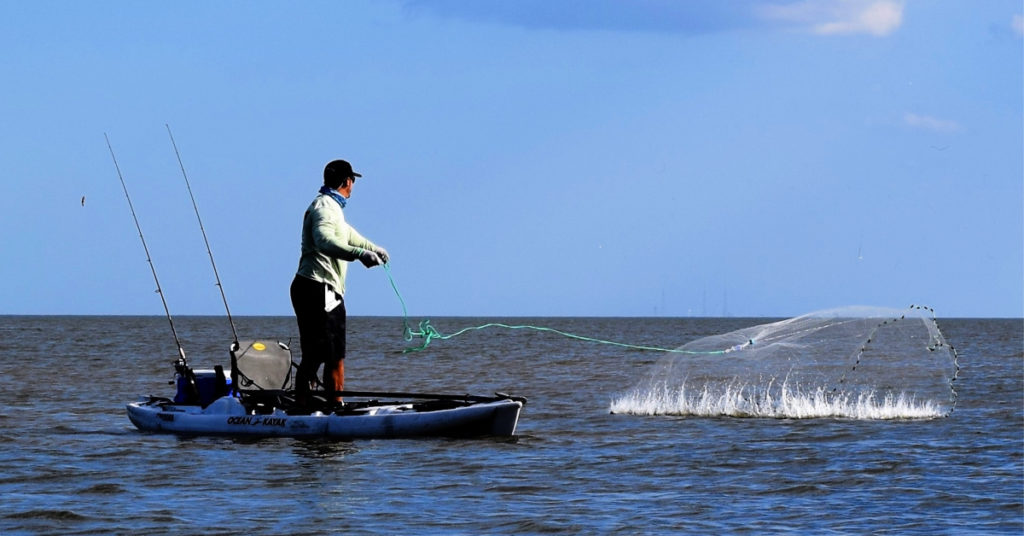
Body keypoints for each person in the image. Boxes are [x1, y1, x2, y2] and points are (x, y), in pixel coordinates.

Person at [291, 159, 389, 404]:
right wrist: (359, 255)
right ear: (348, 182)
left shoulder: (331, 207)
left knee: (314, 354)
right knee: (334, 355)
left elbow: (347, 234)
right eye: (352, 181)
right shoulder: (325, 208)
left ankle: (304, 404)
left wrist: (372, 248)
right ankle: (335, 407)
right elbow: (324, 240)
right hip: (319, 287)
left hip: (311, 287)